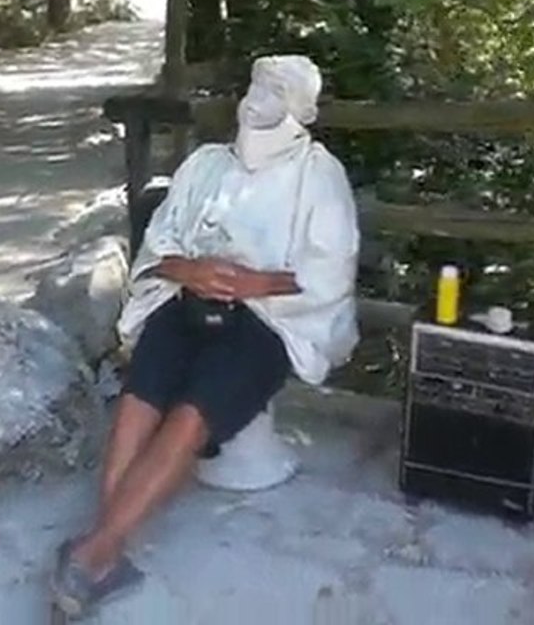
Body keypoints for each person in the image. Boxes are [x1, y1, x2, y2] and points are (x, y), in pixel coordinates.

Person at [51, 56, 361, 617]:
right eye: (258, 83)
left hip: (271, 319)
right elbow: (163, 239)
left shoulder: (319, 176)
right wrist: (188, 271)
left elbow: (329, 272)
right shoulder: (206, 165)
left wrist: (252, 282)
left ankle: (94, 551)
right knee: (139, 395)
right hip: (188, 302)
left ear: (301, 110)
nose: (262, 96)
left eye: (278, 89)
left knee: (192, 413)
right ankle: (105, 547)